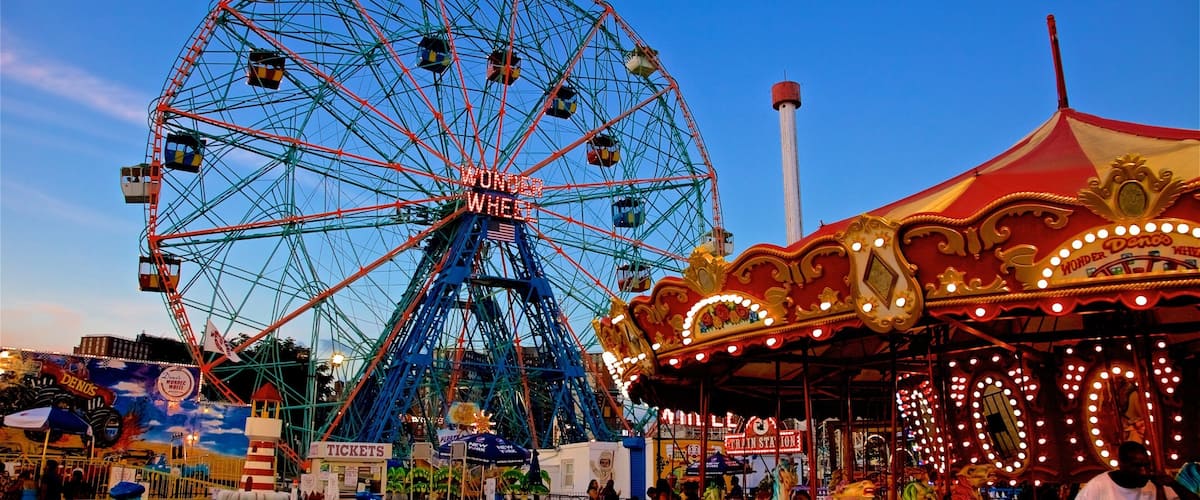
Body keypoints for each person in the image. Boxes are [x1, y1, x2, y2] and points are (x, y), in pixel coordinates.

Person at [1076, 441, 1198, 500]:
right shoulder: (1097, 487)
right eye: (1137, 466)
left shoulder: (1155, 483)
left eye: (1147, 465)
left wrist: (1173, 484)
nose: (1144, 472)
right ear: (1121, 464)